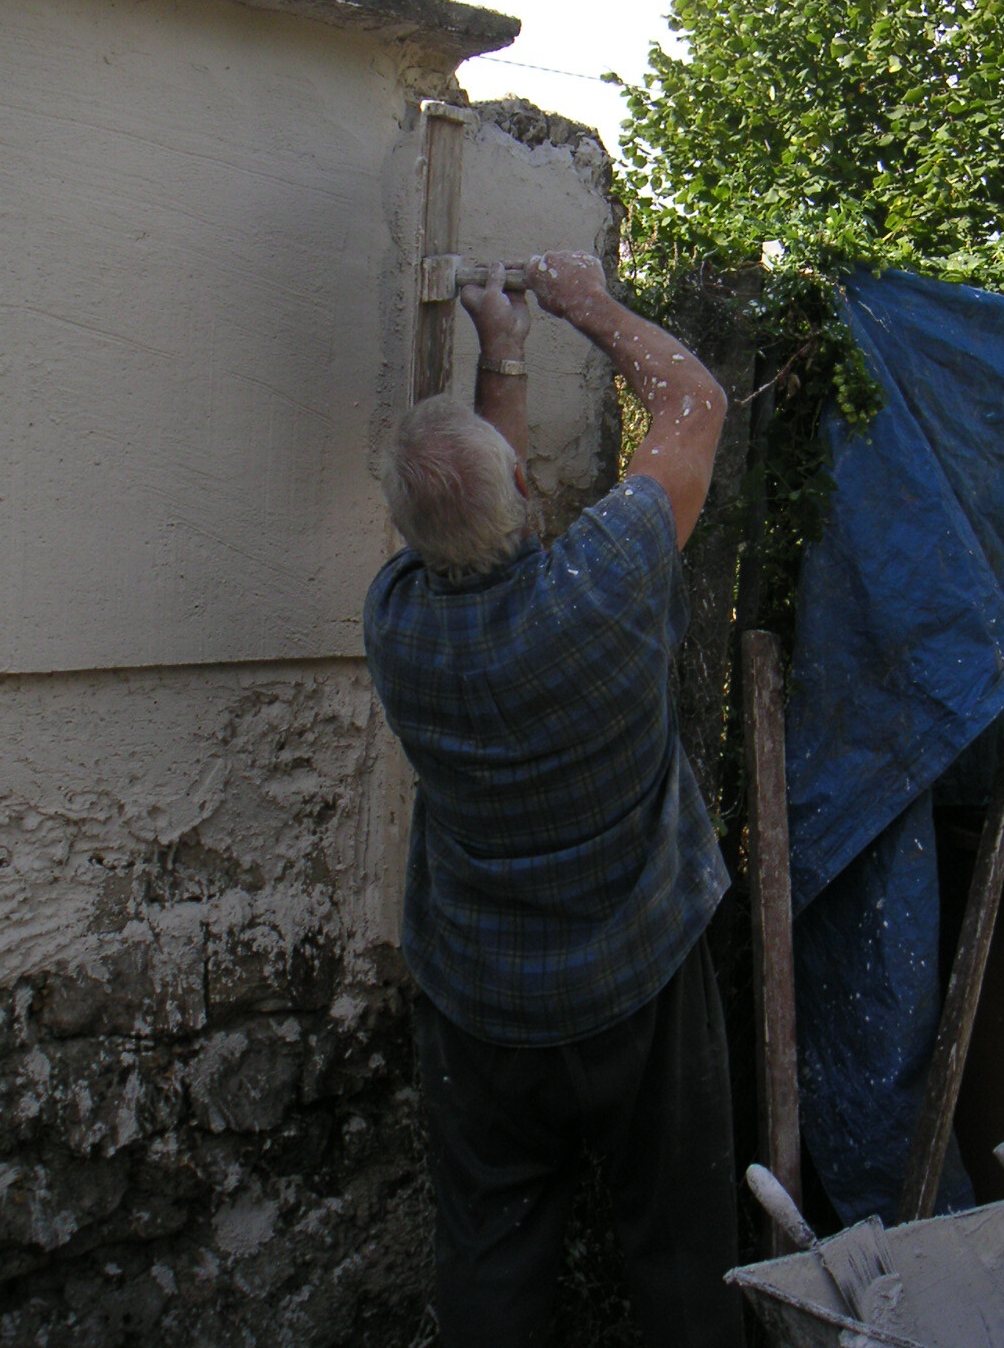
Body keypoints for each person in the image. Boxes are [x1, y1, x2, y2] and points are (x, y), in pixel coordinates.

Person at [363, 251, 742, 1348]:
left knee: (490, 1253)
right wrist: (585, 303)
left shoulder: (398, 624)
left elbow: (479, 524)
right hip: (640, 982)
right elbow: (696, 404)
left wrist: (505, 353)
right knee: (681, 1245)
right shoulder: (604, 586)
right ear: (524, 493)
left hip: (484, 1004)